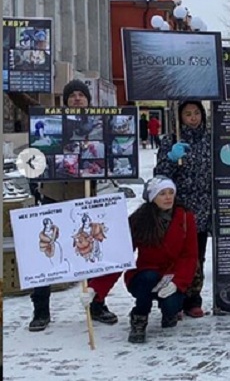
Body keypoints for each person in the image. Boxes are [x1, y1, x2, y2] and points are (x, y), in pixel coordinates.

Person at [30, 79, 119, 331]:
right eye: (72, 95)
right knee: (46, 255)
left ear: (88, 100)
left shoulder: (98, 124)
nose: (77, 98)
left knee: (93, 252)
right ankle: (40, 309)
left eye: (81, 95)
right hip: (54, 196)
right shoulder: (53, 122)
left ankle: (97, 303)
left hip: (85, 197)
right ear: (65, 100)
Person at [155, 100, 212, 317]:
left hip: (203, 207)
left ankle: (193, 299)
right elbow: (160, 176)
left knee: (197, 256)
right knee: (176, 256)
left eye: (196, 113)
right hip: (179, 208)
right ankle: (174, 299)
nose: (193, 118)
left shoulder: (209, 139)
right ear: (180, 118)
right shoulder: (171, 141)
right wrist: (171, 159)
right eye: (188, 114)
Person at [125, 175, 198, 343]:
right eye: (162, 193)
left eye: (171, 192)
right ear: (152, 197)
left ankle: (170, 312)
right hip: (145, 275)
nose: (168, 197)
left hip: (172, 276)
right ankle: (139, 318)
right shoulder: (138, 220)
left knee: (171, 305)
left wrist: (177, 282)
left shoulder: (185, 217)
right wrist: (96, 289)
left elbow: (190, 255)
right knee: (148, 278)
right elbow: (122, 256)